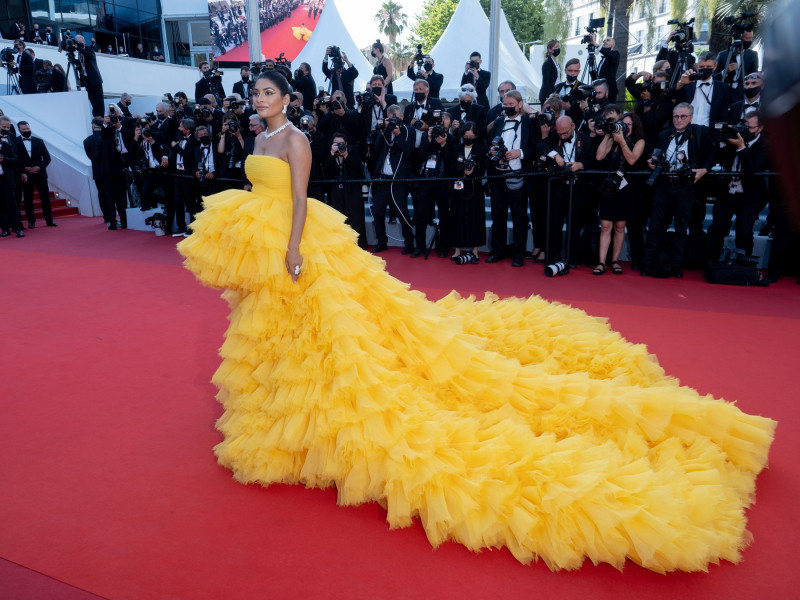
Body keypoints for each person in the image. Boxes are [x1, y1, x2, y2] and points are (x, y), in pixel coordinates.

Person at [176, 68, 775, 575]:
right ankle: (285, 413)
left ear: (288, 98)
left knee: (339, 339)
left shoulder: (296, 142)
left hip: (299, 247)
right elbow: (259, 195)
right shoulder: (257, 142)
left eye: (268, 94)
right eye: (254, 94)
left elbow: (301, 200)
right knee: (277, 338)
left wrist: (294, 249)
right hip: (264, 247)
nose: (259, 101)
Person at [642, 103, 714, 278]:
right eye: (676, 117)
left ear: (690, 117)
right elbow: (655, 155)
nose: (679, 120)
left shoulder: (700, 133)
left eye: (683, 116)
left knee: (682, 228)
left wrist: (704, 169)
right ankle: (649, 264)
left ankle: (676, 266)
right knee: (655, 226)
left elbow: (711, 154)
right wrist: (651, 161)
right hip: (664, 184)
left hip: (685, 186)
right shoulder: (665, 134)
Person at [593, 108, 646, 275]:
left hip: (626, 189)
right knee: (606, 226)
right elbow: (599, 157)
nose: (626, 126)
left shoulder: (639, 141)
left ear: (635, 126)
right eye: (624, 123)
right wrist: (609, 134)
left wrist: (622, 140)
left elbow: (631, 159)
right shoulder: (613, 139)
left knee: (620, 227)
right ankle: (602, 262)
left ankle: (615, 260)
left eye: (629, 124)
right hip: (609, 187)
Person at [449, 122, 486, 264]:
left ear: (476, 136)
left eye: (471, 136)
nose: (469, 138)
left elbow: (483, 169)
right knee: (457, 217)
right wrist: (461, 170)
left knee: (476, 218)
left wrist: (473, 172)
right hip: (458, 187)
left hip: (475, 188)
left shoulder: (481, 149)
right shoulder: (455, 148)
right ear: (462, 135)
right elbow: (451, 167)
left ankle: (475, 250)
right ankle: (457, 249)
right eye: (466, 135)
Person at [15, 121, 56, 228]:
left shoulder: (39, 141)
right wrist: (24, 169)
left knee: (45, 198)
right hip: (26, 175)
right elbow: (15, 159)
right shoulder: (15, 142)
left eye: (27, 129)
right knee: (28, 198)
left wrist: (39, 167)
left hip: (40, 174)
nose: (26, 131)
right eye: (23, 130)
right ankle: (31, 221)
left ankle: (49, 220)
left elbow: (47, 158)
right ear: (19, 130)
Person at [74, 35, 105, 117]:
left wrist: (78, 48)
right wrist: (75, 61)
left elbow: (90, 56)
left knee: (99, 99)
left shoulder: (88, 49)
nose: (77, 43)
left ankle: (101, 117)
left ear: (83, 41)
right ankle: (96, 117)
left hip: (94, 79)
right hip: (86, 79)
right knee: (92, 99)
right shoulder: (80, 53)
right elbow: (82, 64)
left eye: (78, 41)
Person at [539, 40, 561, 104]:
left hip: (554, 94)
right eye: (556, 47)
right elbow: (546, 81)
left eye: (559, 46)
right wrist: (548, 96)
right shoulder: (548, 63)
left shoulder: (556, 63)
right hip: (548, 96)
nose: (558, 48)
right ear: (550, 50)